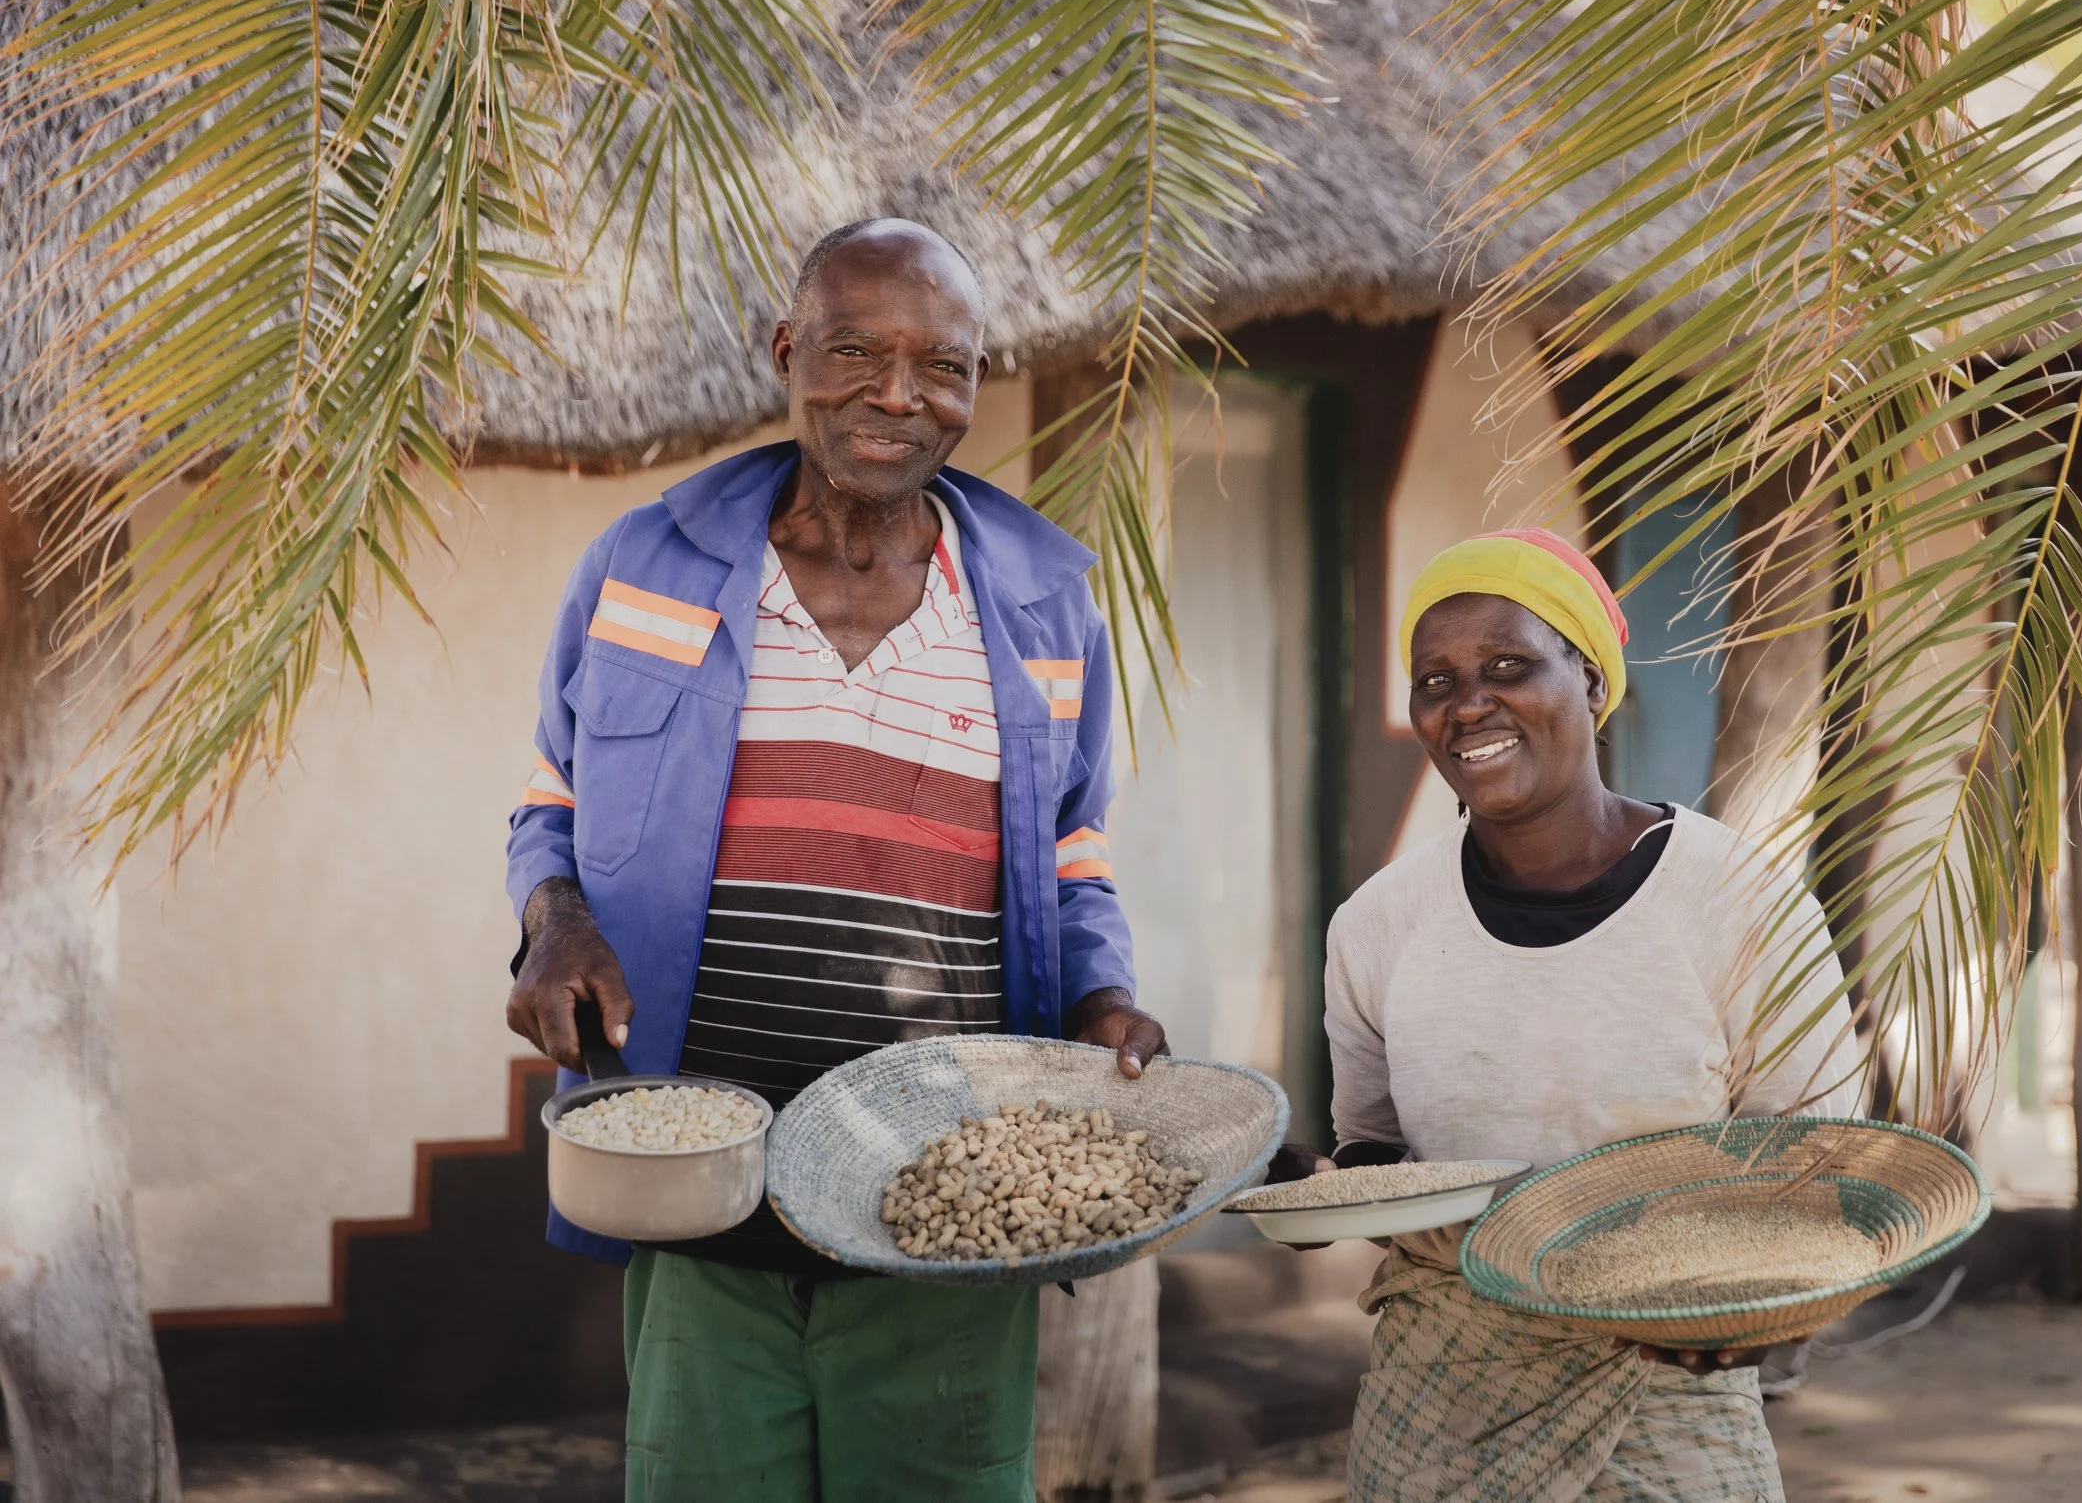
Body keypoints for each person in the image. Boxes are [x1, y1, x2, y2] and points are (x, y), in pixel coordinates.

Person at [502, 218, 1168, 1501]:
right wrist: (553, 919)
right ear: (784, 349)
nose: (899, 395)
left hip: (944, 1208)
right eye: (857, 349)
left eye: (945, 366)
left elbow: (1077, 854)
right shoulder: (650, 564)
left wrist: (1100, 999)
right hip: (702, 1197)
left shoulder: (1039, 602)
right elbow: (551, 795)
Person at [1308, 528, 1863, 1503]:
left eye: (1508, 665)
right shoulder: (1378, 925)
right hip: (1441, 1404)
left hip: (1667, 1400)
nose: (1466, 701)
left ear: (1592, 682)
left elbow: (1821, 1165)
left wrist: (1744, 1315)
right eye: (1432, 679)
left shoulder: (1739, 902)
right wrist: (1315, 1186)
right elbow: (1372, 1153)